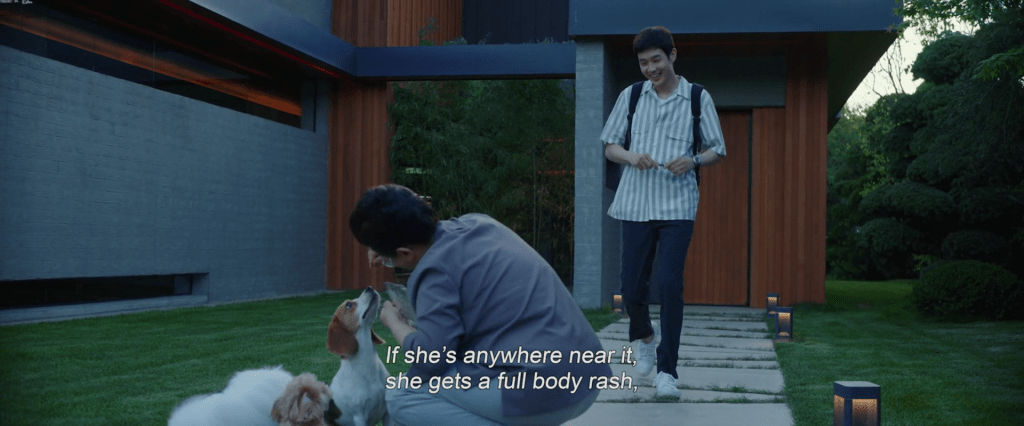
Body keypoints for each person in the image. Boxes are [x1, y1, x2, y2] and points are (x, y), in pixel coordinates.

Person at [349, 184, 610, 425]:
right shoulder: (479, 224)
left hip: (545, 391)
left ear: (404, 253)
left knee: (402, 396)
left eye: (386, 256)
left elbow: (431, 360)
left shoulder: (434, 273)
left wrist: (394, 322)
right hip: (587, 376)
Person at [601, 26, 727, 399]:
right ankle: (644, 336)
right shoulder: (631, 96)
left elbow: (717, 149)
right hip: (635, 204)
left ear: (672, 55)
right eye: (644, 63)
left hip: (677, 206)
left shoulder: (697, 98)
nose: (651, 68)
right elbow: (610, 146)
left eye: (656, 59)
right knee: (630, 287)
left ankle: (667, 372)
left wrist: (693, 160)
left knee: (670, 284)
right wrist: (630, 156)